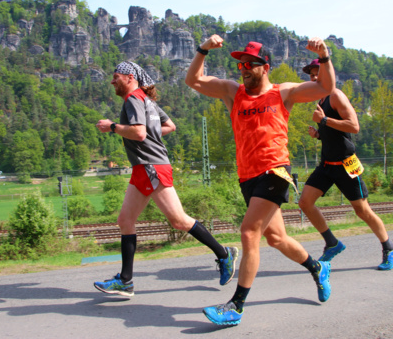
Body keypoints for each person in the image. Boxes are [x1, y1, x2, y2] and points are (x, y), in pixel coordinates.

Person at [185, 35, 335, 326]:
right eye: (241, 64)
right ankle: (317, 267)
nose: (243, 69)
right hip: (248, 176)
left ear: (264, 67)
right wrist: (203, 49)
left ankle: (236, 306)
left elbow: (325, 87)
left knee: (249, 232)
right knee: (276, 238)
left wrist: (325, 56)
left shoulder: (284, 92)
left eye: (250, 64)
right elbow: (194, 80)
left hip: (275, 170)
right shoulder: (233, 92)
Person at [94, 61, 238, 297]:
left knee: (179, 221)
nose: (112, 81)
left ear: (130, 78)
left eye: (116, 76)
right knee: (125, 220)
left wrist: (112, 126)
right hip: (144, 167)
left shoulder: (133, 100)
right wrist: (146, 132)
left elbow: (139, 133)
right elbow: (170, 126)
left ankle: (224, 254)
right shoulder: (147, 101)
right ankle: (126, 281)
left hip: (151, 167)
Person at [298, 59, 393, 270]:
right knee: (305, 202)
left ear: (327, 74)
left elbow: (354, 126)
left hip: (346, 164)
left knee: (363, 211)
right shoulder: (320, 100)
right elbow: (334, 134)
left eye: (317, 74)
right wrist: (319, 135)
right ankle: (332, 243)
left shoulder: (336, 96)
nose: (313, 78)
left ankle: (389, 248)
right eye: (311, 75)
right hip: (327, 165)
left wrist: (323, 122)